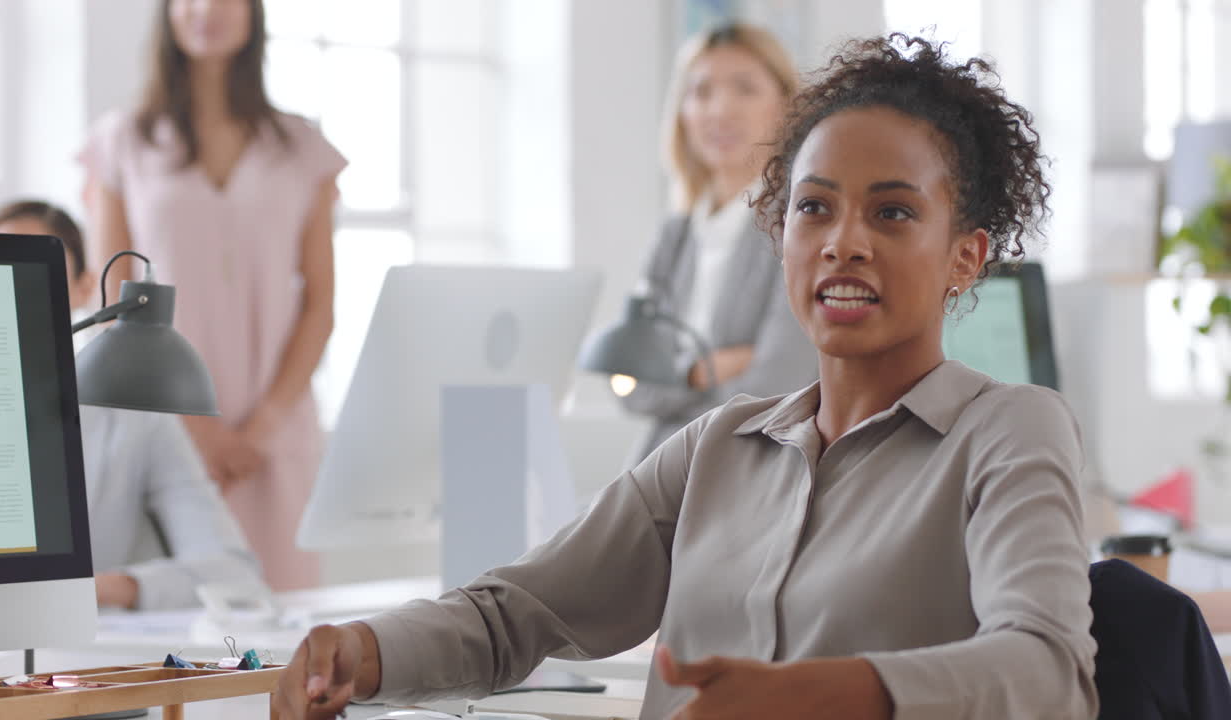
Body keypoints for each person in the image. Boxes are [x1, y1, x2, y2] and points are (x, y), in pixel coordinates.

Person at [272, 34, 1098, 720]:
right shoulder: (718, 447)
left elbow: (1048, 673)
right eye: (814, 208)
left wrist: (827, 692)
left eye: (892, 211)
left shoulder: (1009, 431)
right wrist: (366, 651)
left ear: (966, 257)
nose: (844, 241)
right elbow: (517, 615)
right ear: (780, 238)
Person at [79, 0, 346, 590]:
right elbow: (110, 300)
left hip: (274, 434)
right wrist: (195, 433)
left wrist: (260, 432)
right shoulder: (122, 142)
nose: (206, 10)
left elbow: (320, 304)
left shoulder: (302, 149)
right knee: (170, 627)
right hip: (160, 423)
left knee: (289, 640)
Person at [0, 200, 262, 610]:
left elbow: (234, 574)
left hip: (61, 644)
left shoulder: (134, 420)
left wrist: (88, 589)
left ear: (84, 287)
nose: (11, 288)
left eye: (33, 271)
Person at [619, 23, 817, 460]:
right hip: (657, 467)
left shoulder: (798, 228)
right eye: (702, 91)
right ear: (682, 112)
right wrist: (708, 370)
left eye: (744, 88)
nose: (720, 109)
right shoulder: (673, 239)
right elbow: (628, 381)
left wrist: (672, 378)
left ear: (787, 107)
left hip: (751, 466)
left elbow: (779, 382)